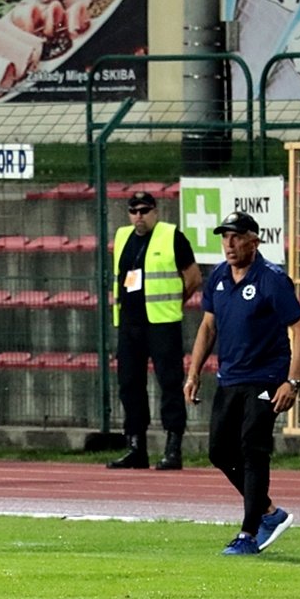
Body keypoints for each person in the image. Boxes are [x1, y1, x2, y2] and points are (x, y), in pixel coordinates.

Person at [184, 211, 300, 556]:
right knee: (219, 451)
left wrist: (292, 381)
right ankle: (269, 512)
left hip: (266, 378)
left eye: (237, 237)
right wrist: (193, 373)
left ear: (254, 241)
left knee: (252, 447)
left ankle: (248, 533)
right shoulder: (218, 277)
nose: (229, 244)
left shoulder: (272, 279)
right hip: (230, 377)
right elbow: (208, 327)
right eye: (225, 237)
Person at [108, 190, 202, 471]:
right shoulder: (122, 237)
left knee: (169, 384)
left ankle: (173, 448)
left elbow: (193, 278)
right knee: (129, 385)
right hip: (129, 324)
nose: (139, 216)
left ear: (155, 211)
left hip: (162, 323)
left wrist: (174, 302)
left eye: (144, 211)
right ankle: (136, 447)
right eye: (134, 211)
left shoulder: (171, 236)